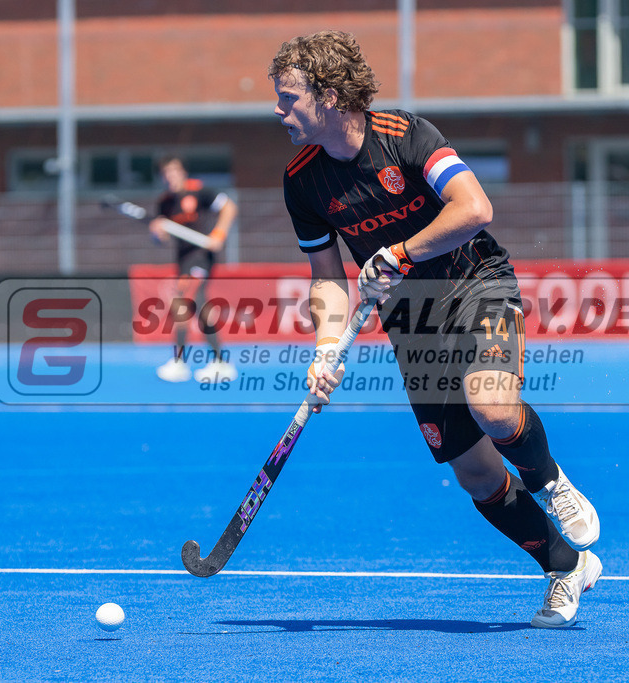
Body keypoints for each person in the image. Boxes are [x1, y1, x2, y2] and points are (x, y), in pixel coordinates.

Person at [269, 30, 601, 628]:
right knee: (475, 474)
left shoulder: (407, 135)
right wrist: (325, 351)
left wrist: (399, 252)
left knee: (493, 407)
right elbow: (326, 277)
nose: (278, 110)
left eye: (288, 97)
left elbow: (474, 208)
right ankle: (563, 565)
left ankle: (551, 482)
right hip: (413, 321)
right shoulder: (302, 179)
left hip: (478, 284)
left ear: (329, 94)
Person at [151, 156, 239, 383]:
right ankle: (206, 362)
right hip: (182, 260)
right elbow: (161, 238)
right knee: (189, 304)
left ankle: (206, 362)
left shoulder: (199, 192)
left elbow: (229, 207)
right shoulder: (165, 202)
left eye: (174, 171)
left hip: (202, 256)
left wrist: (219, 234)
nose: (170, 176)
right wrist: (157, 233)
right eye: (165, 173)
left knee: (188, 300)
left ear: (182, 172)